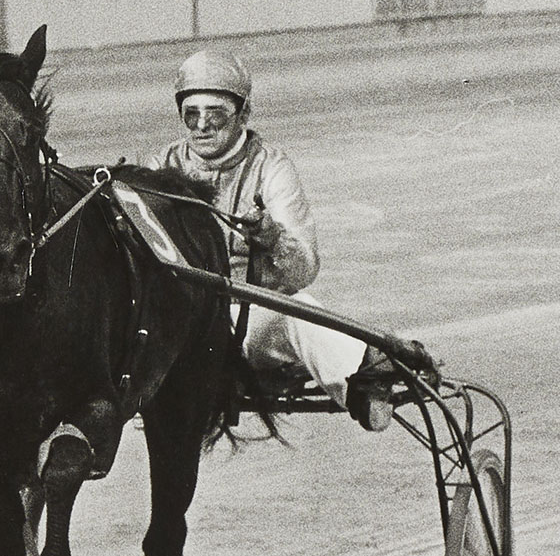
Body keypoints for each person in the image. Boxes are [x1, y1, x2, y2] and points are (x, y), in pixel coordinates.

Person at [145, 49, 398, 430]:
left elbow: (303, 269)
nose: (201, 126)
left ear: (243, 114)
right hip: (177, 326)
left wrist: (270, 236)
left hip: (247, 319)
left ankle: (360, 383)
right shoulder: (160, 165)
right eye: (190, 114)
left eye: (215, 114)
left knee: (297, 309)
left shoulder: (271, 168)